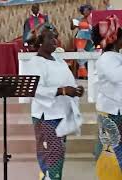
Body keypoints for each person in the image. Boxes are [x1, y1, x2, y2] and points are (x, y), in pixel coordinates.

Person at [22, 25, 84, 180]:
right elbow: (36, 90)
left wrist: (76, 89)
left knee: (58, 155)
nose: (55, 40)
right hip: (46, 116)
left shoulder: (58, 60)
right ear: (40, 41)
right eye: (51, 37)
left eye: (56, 36)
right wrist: (62, 91)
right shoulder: (35, 63)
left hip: (61, 114)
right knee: (52, 156)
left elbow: (69, 81)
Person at [92, 22, 122, 179]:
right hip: (111, 113)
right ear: (114, 38)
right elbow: (118, 76)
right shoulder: (107, 59)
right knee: (111, 157)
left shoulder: (116, 57)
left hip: (116, 111)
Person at [71, 4, 94, 79]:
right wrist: (73, 22)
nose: (86, 11)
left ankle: (92, 74)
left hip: (91, 39)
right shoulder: (79, 19)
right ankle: (83, 75)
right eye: (85, 10)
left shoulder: (92, 18)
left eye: (88, 10)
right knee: (81, 57)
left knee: (92, 55)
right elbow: (72, 28)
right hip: (81, 39)